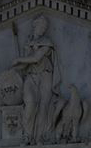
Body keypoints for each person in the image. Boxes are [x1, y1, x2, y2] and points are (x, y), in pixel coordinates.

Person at [11, 15, 60, 144]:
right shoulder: (28, 43)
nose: (43, 29)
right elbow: (25, 64)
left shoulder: (47, 42)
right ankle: (27, 136)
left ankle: (39, 137)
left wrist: (18, 59)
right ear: (35, 25)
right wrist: (15, 69)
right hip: (31, 76)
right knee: (30, 103)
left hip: (45, 75)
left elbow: (36, 58)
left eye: (45, 27)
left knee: (44, 106)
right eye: (41, 26)